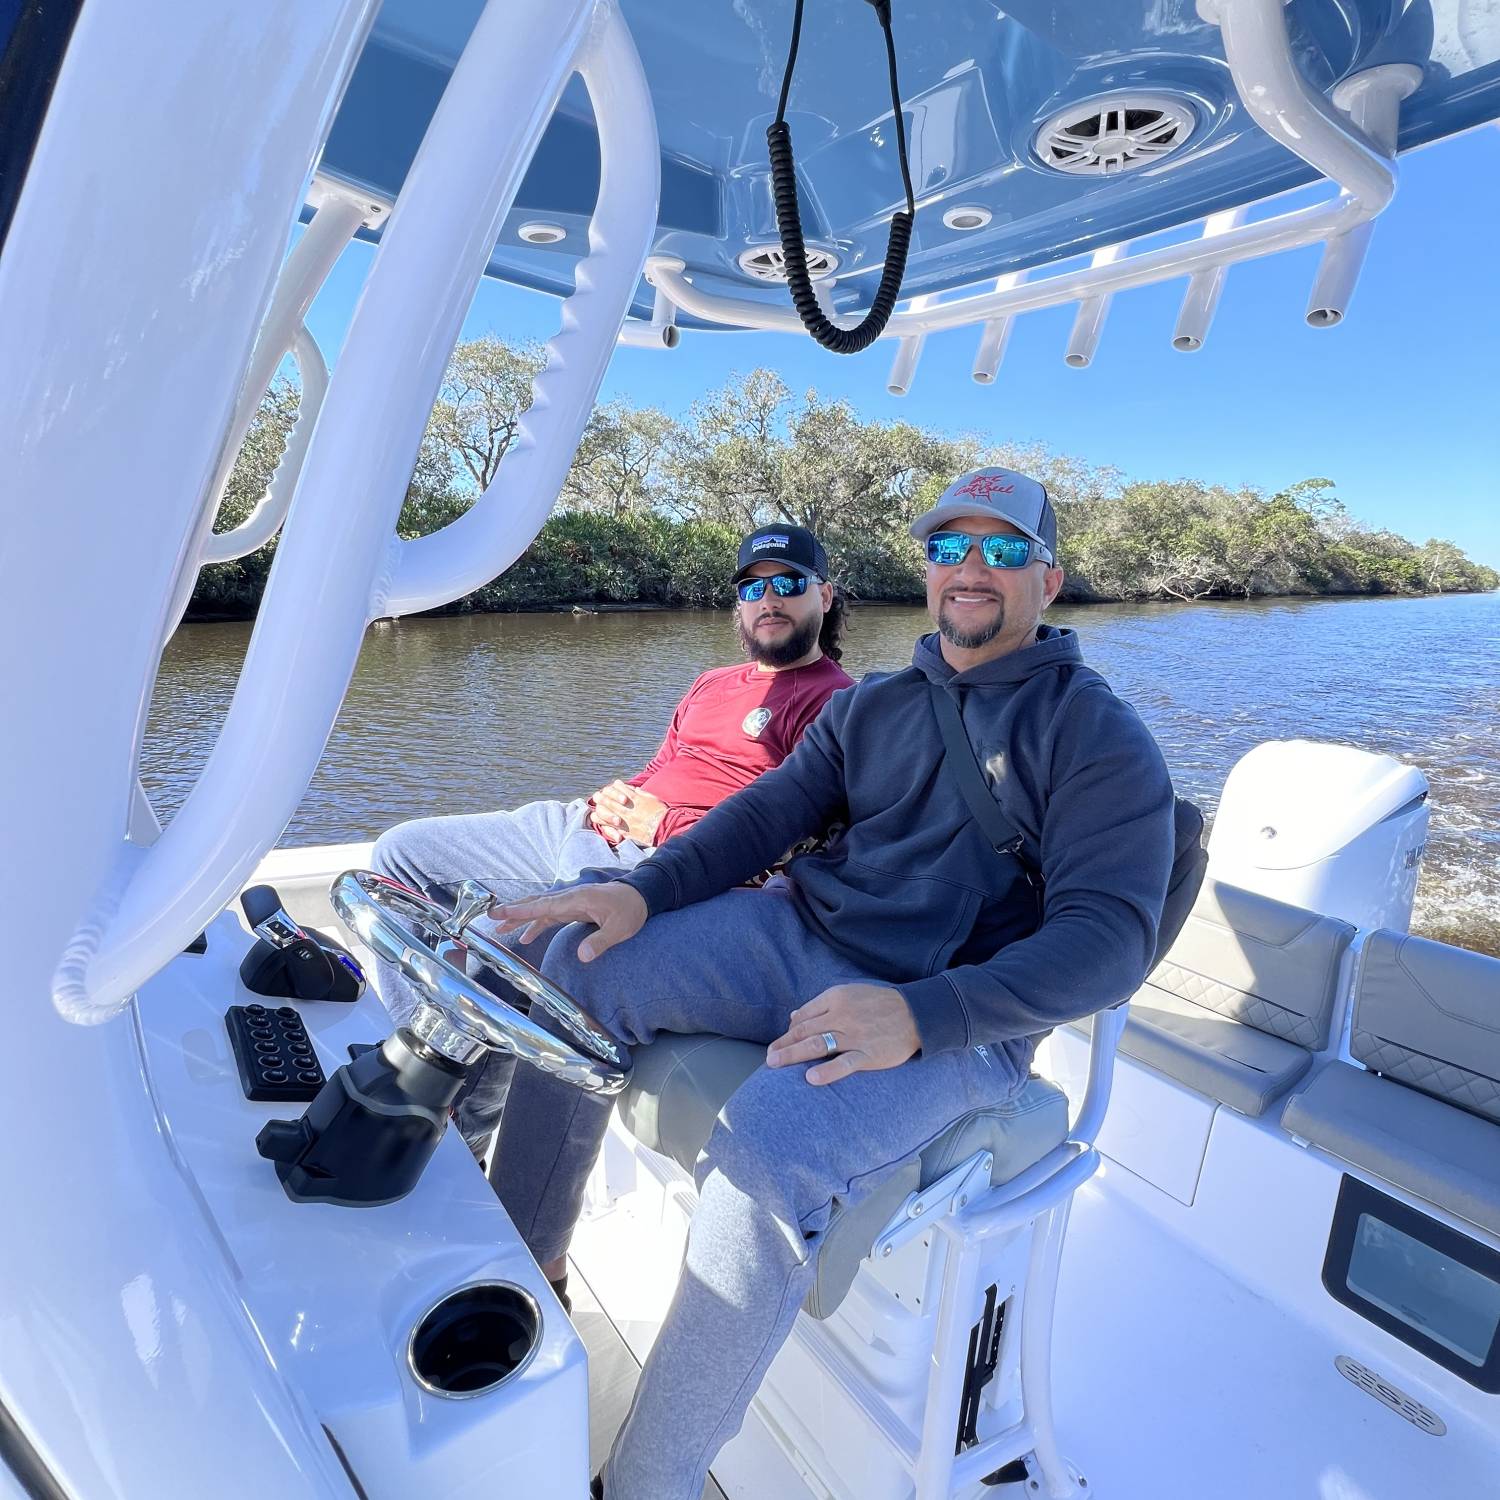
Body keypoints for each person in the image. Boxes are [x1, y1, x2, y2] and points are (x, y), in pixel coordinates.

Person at [486, 467, 1178, 1500]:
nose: (971, 571)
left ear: (1050, 578)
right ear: (927, 571)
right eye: (950, 549)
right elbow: (767, 818)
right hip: (801, 935)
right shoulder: (881, 706)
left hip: (955, 1015)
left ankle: (648, 1482)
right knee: (574, 961)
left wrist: (919, 1013)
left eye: (1001, 549)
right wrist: (649, 891)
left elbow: (1111, 941)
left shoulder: (1097, 736)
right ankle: (524, 1269)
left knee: (772, 1138)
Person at [370, 523, 852, 1150]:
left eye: (788, 584)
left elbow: (788, 847)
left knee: (496, 947)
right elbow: (666, 766)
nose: (770, 600)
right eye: (752, 587)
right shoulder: (712, 683)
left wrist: (663, 825)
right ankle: (421, 1065)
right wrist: (620, 796)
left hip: (670, 860)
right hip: (591, 824)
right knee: (398, 857)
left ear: (826, 596)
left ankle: (459, 1129)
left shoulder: (835, 704)